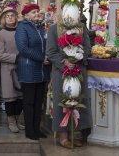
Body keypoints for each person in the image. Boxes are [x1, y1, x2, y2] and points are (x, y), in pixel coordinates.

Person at [46, 21, 93, 149]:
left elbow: (88, 47)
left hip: (79, 70)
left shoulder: (82, 28)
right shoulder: (53, 28)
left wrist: (79, 57)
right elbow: (50, 52)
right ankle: (63, 136)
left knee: (78, 100)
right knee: (62, 101)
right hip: (61, 72)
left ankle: (75, 134)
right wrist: (64, 63)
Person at [15, 3, 50, 140]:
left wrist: (48, 57)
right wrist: (42, 58)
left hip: (42, 71)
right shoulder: (22, 28)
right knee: (29, 102)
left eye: (37, 12)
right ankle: (30, 131)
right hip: (29, 69)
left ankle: (36, 128)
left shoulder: (41, 28)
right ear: (26, 15)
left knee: (39, 102)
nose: (37, 14)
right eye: (33, 12)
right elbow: (23, 48)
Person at [0, 7, 24, 133]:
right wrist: (16, 57)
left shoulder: (22, 32)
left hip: (23, 68)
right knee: (10, 97)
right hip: (8, 69)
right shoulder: (0, 34)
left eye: (12, 15)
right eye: (7, 16)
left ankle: (18, 120)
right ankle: (11, 121)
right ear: (3, 19)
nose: (10, 17)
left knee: (21, 97)